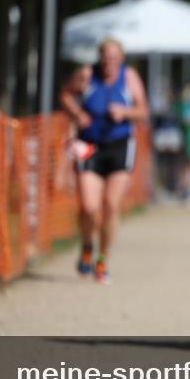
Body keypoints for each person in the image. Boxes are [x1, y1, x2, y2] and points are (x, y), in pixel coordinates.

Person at [60, 38, 148, 285]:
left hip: (120, 146)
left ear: (120, 59)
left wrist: (125, 112)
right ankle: (87, 244)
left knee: (110, 205)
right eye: (105, 58)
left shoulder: (129, 77)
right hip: (88, 146)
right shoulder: (87, 75)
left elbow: (143, 111)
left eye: (114, 58)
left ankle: (102, 259)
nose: (109, 62)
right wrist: (77, 114)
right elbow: (65, 95)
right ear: (99, 58)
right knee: (89, 206)